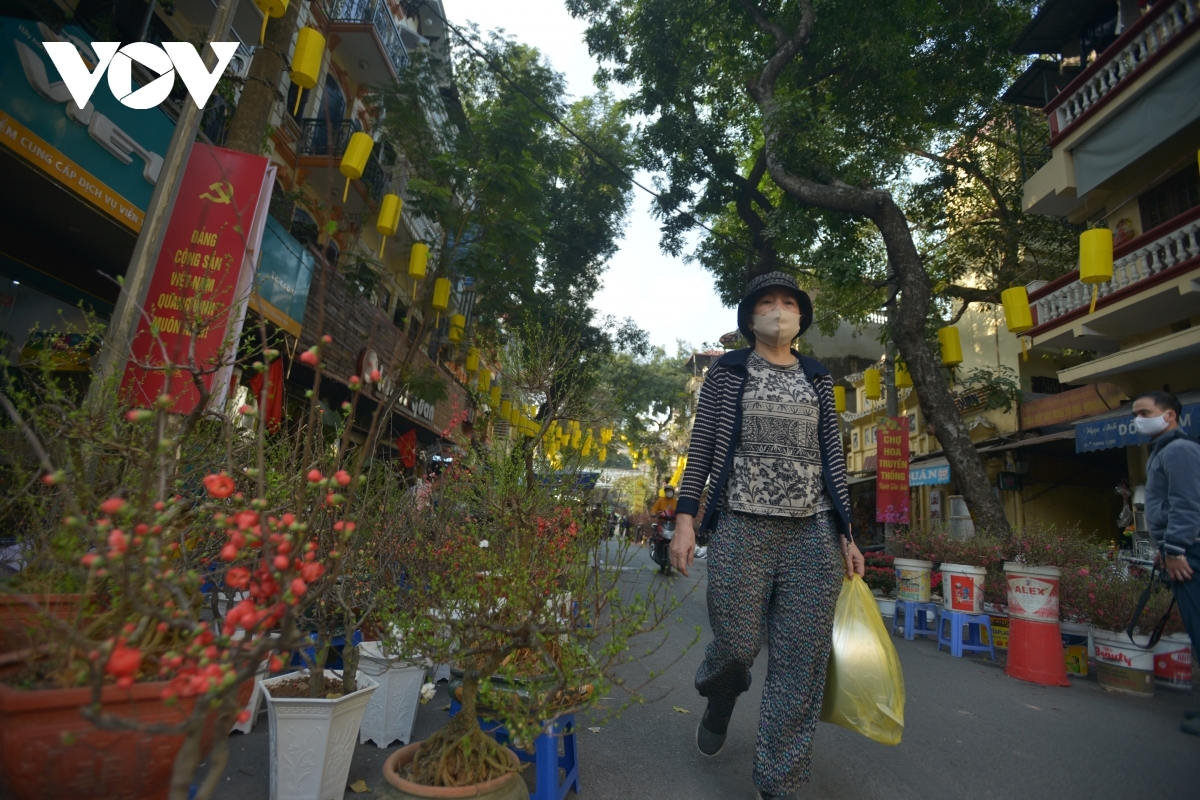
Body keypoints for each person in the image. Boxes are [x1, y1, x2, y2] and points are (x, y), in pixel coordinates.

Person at [669, 271, 864, 800]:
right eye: (767, 303)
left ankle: (779, 782)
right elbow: (703, 447)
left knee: (802, 664)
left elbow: (834, 459)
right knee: (735, 644)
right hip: (741, 525)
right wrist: (686, 520)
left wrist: (847, 533)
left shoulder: (819, 378)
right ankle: (721, 696)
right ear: (750, 316)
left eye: (788, 303)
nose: (779, 311)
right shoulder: (729, 372)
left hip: (813, 534)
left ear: (802, 316)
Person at [1134, 391, 1200, 735]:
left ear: (1170, 415)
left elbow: (1187, 505)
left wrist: (1175, 550)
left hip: (1190, 552)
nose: (1138, 419)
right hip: (1178, 551)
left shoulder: (1181, 451)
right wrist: (1162, 548)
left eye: (1145, 412)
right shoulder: (1161, 451)